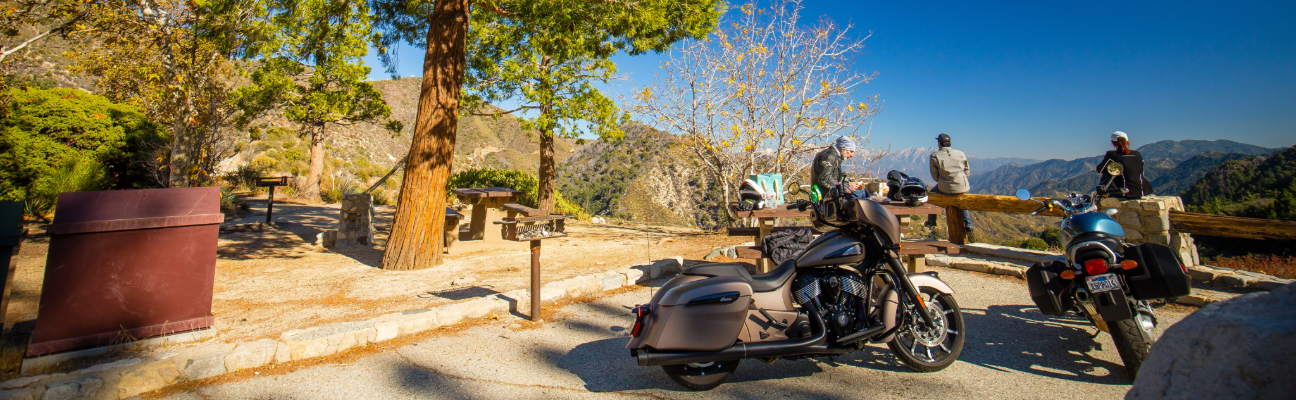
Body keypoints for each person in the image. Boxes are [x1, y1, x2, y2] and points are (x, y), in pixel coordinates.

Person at [926, 133, 974, 235]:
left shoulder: (935, 156)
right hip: (962, 185)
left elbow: (935, 176)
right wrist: (961, 180)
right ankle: (969, 225)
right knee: (962, 198)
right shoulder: (961, 154)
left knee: (932, 195)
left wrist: (943, 181)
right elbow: (967, 171)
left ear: (939, 144)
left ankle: (932, 220)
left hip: (945, 187)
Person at [1097, 131, 1153, 199]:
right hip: (1142, 191)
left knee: (1109, 170)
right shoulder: (1137, 154)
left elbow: (1100, 169)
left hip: (1123, 191)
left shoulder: (1111, 155)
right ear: (1127, 142)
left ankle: (1104, 192)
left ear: (1113, 142)